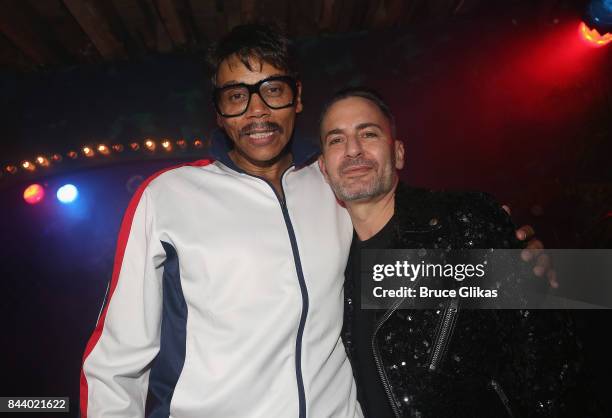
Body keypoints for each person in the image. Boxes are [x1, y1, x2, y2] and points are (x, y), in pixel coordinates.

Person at [80, 24, 543, 418]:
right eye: (237, 96)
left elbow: (409, 275)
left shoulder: (331, 185)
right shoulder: (169, 196)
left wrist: (529, 271)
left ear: (297, 98)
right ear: (219, 112)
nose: (256, 110)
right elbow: (117, 360)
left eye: (273, 90)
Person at [317, 88, 580, 418]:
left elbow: (548, 353)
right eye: (336, 140)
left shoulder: (462, 223)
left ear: (398, 153)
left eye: (368, 133)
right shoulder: (326, 265)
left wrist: (560, 279)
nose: (353, 150)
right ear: (324, 169)